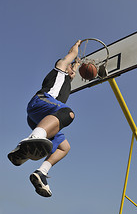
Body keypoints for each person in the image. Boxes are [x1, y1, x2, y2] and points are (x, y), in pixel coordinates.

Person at [8, 40, 82, 197]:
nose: (70, 67)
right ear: (63, 65)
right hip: (41, 102)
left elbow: (72, 71)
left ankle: (41, 173)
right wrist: (76, 46)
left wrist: (76, 67)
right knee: (68, 113)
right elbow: (72, 55)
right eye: (69, 65)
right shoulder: (60, 68)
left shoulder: (66, 79)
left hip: (43, 118)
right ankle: (33, 138)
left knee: (64, 147)